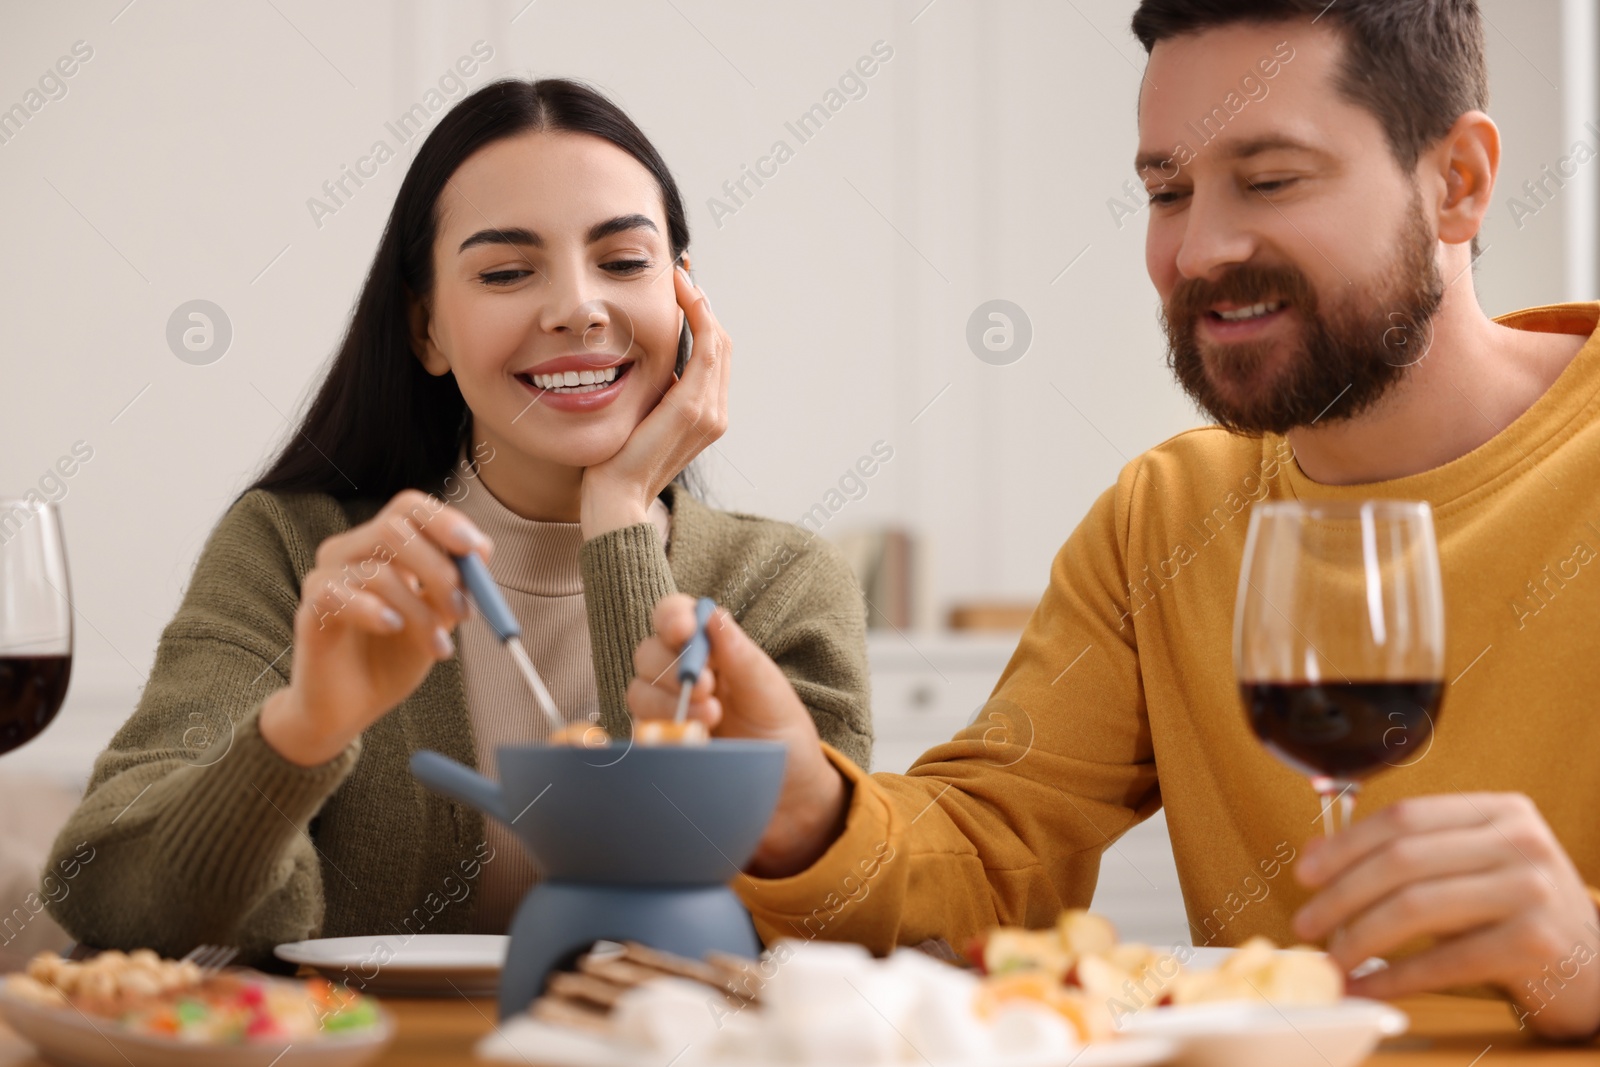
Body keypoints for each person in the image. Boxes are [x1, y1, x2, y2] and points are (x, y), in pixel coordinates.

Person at [630, 0, 1600, 1041]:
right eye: (1167, 191)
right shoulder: (1163, 517)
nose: (1201, 249)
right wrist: (803, 804)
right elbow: (995, 852)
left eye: (1270, 179)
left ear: (1457, 180)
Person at [43, 78, 873, 964]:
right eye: (508, 272)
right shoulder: (295, 552)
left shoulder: (783, 583)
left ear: (685, 303)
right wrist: (303, 730)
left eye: (625, 262)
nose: (578, 307)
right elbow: (105, 892)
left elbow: (820, 927)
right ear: (426, 328)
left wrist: (621, 522)